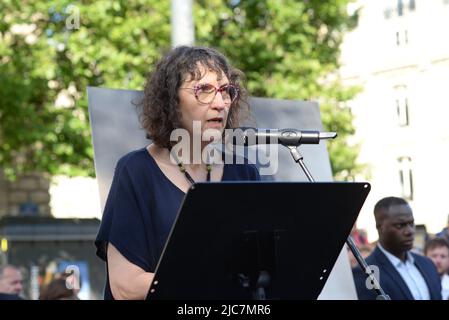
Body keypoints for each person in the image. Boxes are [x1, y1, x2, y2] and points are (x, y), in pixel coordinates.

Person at [95, 46, 260, 300]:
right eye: (203, 90)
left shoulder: (244, 173)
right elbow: (125, 287)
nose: (219, 104)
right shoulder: (137, 171)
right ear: (171, 101)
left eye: (226, 91)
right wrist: (211, 278)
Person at [352, 197, 442, 300]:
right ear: (380, 227)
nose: (409, 231)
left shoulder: (427, 264)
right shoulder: (366, 273)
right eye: (400, 225)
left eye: (411, 223)